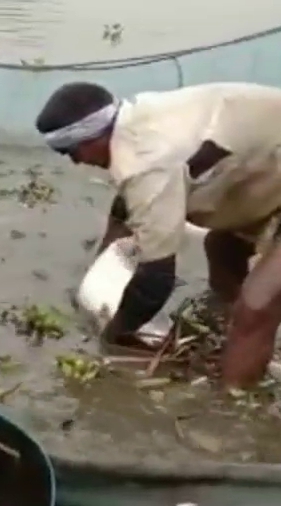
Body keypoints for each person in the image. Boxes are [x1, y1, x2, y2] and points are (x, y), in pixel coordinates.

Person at [35, 81, 281, 389]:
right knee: (222, 249)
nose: (75, 161)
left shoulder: (146, 162)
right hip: (268, 158)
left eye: (70, 151)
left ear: (93, 137)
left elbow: (156, 281)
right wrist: (102, 262)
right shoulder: (137, 119)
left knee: (258, 303)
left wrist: (113, 335)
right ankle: (235, 339)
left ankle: (233, 405)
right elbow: (126, 204)